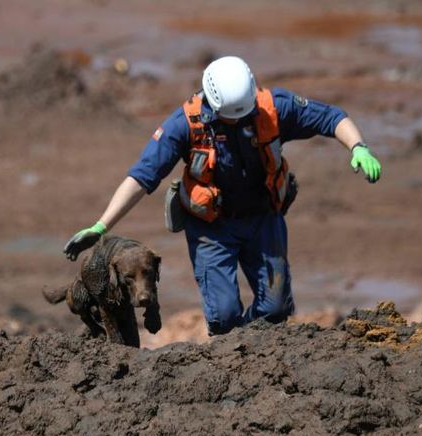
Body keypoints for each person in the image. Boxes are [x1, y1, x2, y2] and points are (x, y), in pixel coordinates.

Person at [64, 56, 381, 336]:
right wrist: (101, 227)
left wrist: (358, 147)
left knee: (275, 309)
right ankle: (235, 349)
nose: (239, 120)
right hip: (212, 229)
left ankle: (257, 346)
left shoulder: (272, 107)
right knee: (225, 318)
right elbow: (141, 178)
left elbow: (332, 117)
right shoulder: (183, 125)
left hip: (263, 220)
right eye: (231, 116)